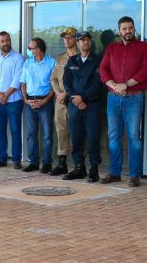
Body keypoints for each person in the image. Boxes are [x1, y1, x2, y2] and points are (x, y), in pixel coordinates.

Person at [99, 16, 147, 187]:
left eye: (130, 28)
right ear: (119, 31)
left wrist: (125, 84)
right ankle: (115, 173)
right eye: (124, 29)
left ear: (134, 29)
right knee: (114, 136)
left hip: (134, 97)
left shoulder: (144, 47)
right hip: (113, 98)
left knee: (133, 137)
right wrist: (113, 85)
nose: (127, 31)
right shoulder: (112, 48)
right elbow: (103, 68)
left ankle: (134, 175)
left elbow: (146, 69)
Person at [63, 31, 103, 182]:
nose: (86, 42)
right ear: (78, 43)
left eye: (88, 40)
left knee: (93, 138)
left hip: (91, 105)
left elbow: (98, 83)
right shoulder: (72, 60)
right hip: (75, 105)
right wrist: (75, 98)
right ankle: (79, 167)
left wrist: (83, 98)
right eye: (82, 40)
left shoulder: (98, 60)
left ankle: (94, 169)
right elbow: (66, 82)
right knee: (76, 137)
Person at [0, 31, 24, 169]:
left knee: (15, 130)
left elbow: (17, 79)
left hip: (14, 101)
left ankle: (16, 160)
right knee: (0, 131)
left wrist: (5, 95)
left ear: (10, 41)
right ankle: (2, 159)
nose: (5, 43)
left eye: (7, 40)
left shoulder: (18, 58)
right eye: (2, 41)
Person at [20, 37, 57, 173]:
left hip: (45, 102)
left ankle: (47, 163)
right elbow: (22, 82)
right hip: (29, 102)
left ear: (39, 49)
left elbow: (55, 85)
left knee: (47, 134)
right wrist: (25, 99)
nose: (28, 51)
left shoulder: (52, 63)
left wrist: (45, 100)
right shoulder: (27, 63)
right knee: (31, 134)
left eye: (31, 48)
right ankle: (33, 162)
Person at [49, 27, 79, 176]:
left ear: (76, 39)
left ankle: (78, 164)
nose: (66, 40)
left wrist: (66, 93)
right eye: (64, 38)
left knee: (76, 132)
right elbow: (53, 78)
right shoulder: (60, 58)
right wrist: (58, 93)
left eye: (70, 37)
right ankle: (62, 163)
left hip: (74, 100)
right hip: (60, 101)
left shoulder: (82, 56)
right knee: (61, 130)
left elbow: (80, 81)